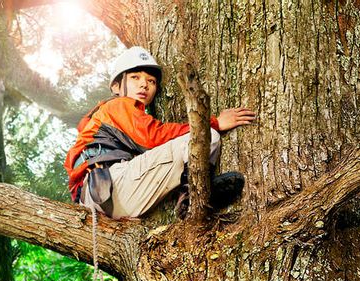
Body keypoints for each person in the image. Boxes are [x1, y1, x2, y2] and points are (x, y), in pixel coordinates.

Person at [65, 46, 256, 218]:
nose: (144, 85)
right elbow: (153, 137)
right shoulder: (116, 106)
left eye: (151, 81)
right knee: (208, 137)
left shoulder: (99, 121)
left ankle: (188, 198)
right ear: (116, 86)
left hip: (107, 200)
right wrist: (214, 123)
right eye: (135, 77)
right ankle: (197, 192)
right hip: (111, 186)